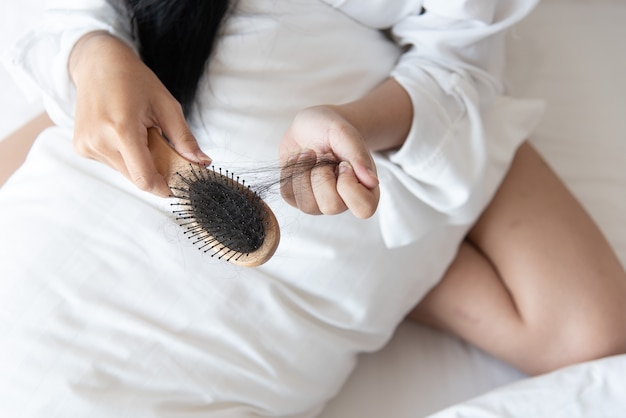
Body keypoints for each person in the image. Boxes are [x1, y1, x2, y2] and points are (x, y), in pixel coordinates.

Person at [1, 0, 625, 416]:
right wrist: (90, 53)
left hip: (359, 136)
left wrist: (361, 124)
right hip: (130, 130)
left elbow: (462, 56)